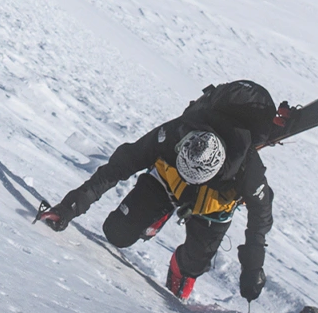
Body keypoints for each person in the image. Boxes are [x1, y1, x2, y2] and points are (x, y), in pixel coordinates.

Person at [35, 86, 279, 301]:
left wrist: (252, 269)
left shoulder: (249, 169)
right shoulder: (172, 133)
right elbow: (120, 165)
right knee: (116, 233)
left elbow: (261, 217)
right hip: (166, 183)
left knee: (195, 263)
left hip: (213, 206)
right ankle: (160, 211)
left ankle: (180, 274)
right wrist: (69, 207)